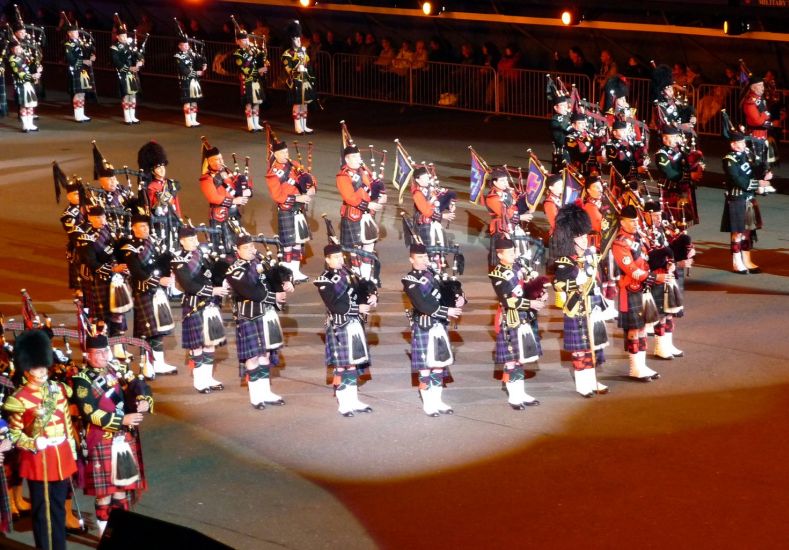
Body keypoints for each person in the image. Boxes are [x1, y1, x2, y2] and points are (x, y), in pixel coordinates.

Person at [71, 332, 151, 536]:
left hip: (123, 439)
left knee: (122, 490)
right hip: (101, 440)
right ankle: (104, 536)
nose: (104, 356)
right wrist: (121, 420)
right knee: (104, 495)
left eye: (105, 351)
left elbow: (139, 384)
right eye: (98, 353)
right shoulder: (82, 380)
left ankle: (121, 535)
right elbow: (89, 412)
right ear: (87, 355)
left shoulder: (118, 368)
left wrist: (143, 399)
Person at [4, 330, 78, 550]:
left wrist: (71, 453)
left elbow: (66, 422)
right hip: (40, 459)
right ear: (27, 371)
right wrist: (32, 443)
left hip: (61, 455)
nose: (43, 371)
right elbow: (15, 433)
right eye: (37, 367)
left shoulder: (58, 390)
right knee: (43, 513)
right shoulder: (19, 399)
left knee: (57, 509)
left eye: (44, 366)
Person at [225, 235, 291, 410]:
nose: (251, 250)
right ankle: (256, 397)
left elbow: (276, 274)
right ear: (237, 251)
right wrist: (273, 295)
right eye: (246, 248)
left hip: (266, 313)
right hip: (249, 316)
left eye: (252, 246)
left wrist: (285, 282)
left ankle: (266, 392)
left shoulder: (259, 260)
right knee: (253, 356)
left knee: (266, 354)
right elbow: (250, 290)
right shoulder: (234, 269)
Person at [551, 204, 610, 397]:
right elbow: (559, 285)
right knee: (580, 349)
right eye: (581, 236)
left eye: (585, 235)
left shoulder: (590, 255)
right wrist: (577, 282)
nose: (585, 239)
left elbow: (598, 280)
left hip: (592, 306)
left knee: (592, 346)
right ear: (571, 238)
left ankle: (592, 380)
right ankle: (582, 384)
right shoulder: (564, 262)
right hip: (576, 308)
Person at [314, 243, 376, 417]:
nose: (340, 260)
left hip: (355, 323)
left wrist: (372, 295)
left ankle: (353, 400)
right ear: (327, 260)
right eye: (335, 257)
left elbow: (363, 288)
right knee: (343, 365)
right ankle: (344, 403)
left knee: (353, 364)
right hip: (339, 325)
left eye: (341, 256)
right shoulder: (324, 279)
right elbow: (334, 304)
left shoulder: (350, 273)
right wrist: (358, 309)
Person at [402, 243, 464, 416]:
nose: (424, 260)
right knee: (426, 367)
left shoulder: (434, 274)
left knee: (439, 366)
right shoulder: (410, 280)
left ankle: (438, 400)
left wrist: (458, 299)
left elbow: (447, 293)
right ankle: (428, 403)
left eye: (425, 257)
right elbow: (423, 304)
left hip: (439, 325)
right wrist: (447, 310)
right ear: (411, 259)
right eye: (420, 257)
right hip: (424, 325)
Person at [489, 237, 546, 409]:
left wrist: (539, 294)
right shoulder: (497, 274)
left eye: (514, 251)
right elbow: (509, 301)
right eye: (510, 252)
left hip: (523, 317)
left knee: (520, 358)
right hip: (510, 318)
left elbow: (527, 289)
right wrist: (531, 303)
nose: (514, 255)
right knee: (511, 359)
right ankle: (514, 396)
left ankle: (521, 393)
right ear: (500, 255)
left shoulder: (518, 267)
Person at [120, 210, 178, 378]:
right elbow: (137, 272)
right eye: (141, 226)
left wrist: (169, 270)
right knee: (148, 330)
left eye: (146, 226)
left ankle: (157, 363)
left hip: (156, 291)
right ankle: (147, 364)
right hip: (143, 291)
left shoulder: (152, 242)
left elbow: (160, 262)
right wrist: (159, 280)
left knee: (157, 329)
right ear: (134, 229)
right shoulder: (130, 248)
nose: (145, 229)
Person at [171, 226, 229, 393]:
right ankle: (199, 381)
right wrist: (212, 290)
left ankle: (208, 378)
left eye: (196, 238)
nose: (195, 242)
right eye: (191, 239)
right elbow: (188, 284)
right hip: (194, 304)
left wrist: (223, 281)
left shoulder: (203, 256)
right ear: (182, 241)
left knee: (210, 343)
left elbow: (211, 275)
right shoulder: (178, 260)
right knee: (197, 346)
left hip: (210, 304)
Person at [611, 205, 665, 381]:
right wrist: (655, 278)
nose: (635, 224)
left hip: (642, 286)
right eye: (631, 221)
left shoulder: (638, 237)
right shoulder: (620, 242)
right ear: (622, 222)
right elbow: (630, 269)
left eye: (636, 220)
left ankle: (641, 366)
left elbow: (648, 257)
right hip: (630, 288)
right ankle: (635, 368)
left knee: (642, 328)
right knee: (634, 330)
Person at [76, 205, 130, 361]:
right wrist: (114, 269)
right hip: (100, 279)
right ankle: (105, 349)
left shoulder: (109, 230)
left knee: (118, 313)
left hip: (116, 278)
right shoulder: (86, 238)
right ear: (90, 219)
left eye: (103, 217)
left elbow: (117, 251)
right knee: (103, 317)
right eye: (98, 218)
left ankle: (119, 347)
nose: (102, 220)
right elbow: (91, 263)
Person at [265, 140, 315, 282]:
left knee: (298, 241)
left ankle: (296, 271)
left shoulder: (295, 165)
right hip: (287, 209)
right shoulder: (273, 173)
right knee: (288, 244)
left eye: (286, 152)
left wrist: (312, 188)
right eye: (282, 153)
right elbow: (277, 196)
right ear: (275, 154)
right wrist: (298, 198)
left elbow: (309, 178)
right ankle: (287, 274)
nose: (286, 155)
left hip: (299, 209)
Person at [721, 130, 770, 274]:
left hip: (748, 197)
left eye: (743, 142)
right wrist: (758, 184)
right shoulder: (729, 160)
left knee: (748, 231)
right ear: (733, 144)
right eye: (740, 143)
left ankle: (747, 259)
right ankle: (737, 262)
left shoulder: (746, 154)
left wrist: (764, 172)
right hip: (737, 198)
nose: (743, 145)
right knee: (737, 232)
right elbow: (738, 180)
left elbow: (754, 169)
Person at [642, 201, 685, 360]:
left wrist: (672, 262)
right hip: (656, 276)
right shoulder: (644, 233)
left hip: (667, 274)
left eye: (660, 215)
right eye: (655, 215)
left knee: (669, 312)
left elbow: (669, 249)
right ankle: (660, 347)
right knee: (661, 312)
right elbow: (647, 257)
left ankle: (668, 343)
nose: (659, 218)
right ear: (646, 214)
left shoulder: (661, 229)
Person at [336, 145, 385, 281]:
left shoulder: (364, 171)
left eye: (359, 156)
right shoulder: (343, 175)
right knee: (354, 248)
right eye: (356, 157)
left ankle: (366, 275)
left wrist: (381, 194)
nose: (359, 159)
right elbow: (349, 197)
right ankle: (357, 277)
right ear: (347, 159)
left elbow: (372, 188)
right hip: (353, 214)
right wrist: (368, 204)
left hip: (367, 214)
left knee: (369, 244)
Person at [199, 141, 253, 252]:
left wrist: (248, 190)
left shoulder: (227, 172)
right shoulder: (206, 179)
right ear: (209, 161)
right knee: (223, 246)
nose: (221, 162)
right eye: (217, 160)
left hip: (234, 214)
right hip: (220, 215)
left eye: (221, 158)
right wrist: (234, 201)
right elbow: (213, 197)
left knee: (238, 242)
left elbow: (239, 184)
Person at [138, 141, 183, 255]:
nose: (162, 169)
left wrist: (179, 217)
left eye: (163, 166)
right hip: (161, 222)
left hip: (173, 218)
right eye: (158, 167)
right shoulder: (151, 187)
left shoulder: (170, 183)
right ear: (152, 171)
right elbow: (154, 208)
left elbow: (176, 205)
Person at [655, 125, 702, 225]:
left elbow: (689, 161)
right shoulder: (662, 154)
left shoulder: (680, 149)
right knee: (671, 219)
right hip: (669, 190)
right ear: (664, 138)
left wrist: (697, 164)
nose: (675, 139)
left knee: (683, 218)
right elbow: (670, 173)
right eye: (672, 137)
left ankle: (682, 238)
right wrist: (690, 176)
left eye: (676, 137)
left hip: (682, 188)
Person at [741, 76, 777, 193]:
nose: (762, 88)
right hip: (754, 135)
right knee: (755, 159)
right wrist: (765, 116)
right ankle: (756, 183)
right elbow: (758, 121)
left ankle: (763, 181)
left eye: (762, 85)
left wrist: (766, 118)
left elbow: (765, 117)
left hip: (763, 134)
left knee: (764, 158)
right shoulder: (750, 102)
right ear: (753, 87)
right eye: (760, 85)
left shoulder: (761, 100)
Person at [282, 20, 317, 135]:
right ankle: (297, 127)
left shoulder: (303, 52)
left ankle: (304, 125)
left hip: (305, 80)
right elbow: (288, 69)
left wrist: (310, 75)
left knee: (305, 104)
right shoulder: (287, 54)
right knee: (297, 104)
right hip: (295, 81)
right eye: (296, 38)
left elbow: (308, 64)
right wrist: (297, 69)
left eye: (299, 38)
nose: (299, 40)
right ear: (291, 40)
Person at [232, 28, 268, 132]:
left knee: (256, 102)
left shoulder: (254, 50)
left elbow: (260, 60)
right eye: (243, 40)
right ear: (238, 42)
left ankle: (256, 122)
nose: (246, 41)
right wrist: (256, 67)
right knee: (248, 102)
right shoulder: (238, 54)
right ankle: (250, 124)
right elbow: (244, 68)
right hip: (247, 79)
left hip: (256, 80)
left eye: (246, 39)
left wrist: (263, 59)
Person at [110, 17, 143, 124]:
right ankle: (127, 116)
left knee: (133, 94)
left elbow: (138, 55)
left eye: (125, 35)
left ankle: (132, 116)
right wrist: (129, 68)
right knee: (126, 94)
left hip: (133, 72)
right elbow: (116, 61)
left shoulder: (130, 45)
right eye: (122, 36)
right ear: (118, 37)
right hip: (123, 72)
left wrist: (140, 62)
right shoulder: (114, 47)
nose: (124, 37)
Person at [7, 39, 40, 132]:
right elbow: (20, 73)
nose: (19, 49)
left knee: (30, 105)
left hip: (27, 84)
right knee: (23, 105)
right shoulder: (13, 59)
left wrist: (36, 68)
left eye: (19, 47)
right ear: (12, 49)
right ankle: (25, 125)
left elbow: (28, 69)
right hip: (21, 84)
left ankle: (30, 124)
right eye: (16, 48)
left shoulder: (22, 57)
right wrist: (33, 77)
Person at [64, 23, 94, 123]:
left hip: (83, 70)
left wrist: (91, 56)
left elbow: (87, 52)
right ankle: (77, 115)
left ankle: (82, 113)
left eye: (77, 32)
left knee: (82, 93)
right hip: (75, 70)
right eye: (74, 32)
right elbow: (70, 59)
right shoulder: (68, 45)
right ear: (69, 33)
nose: (76, 33)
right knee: (78, 93)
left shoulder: (80, 43)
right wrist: (84, 61)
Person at [174, 34, 206, 128]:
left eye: (187, 45)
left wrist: (204, 63)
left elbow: (200, 59)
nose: (187, 46)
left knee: (194, 100)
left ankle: (194, 120)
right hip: (186, 80)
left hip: (194, 81)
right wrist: (197, 73)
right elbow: (184, 71)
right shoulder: (178, 56)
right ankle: (188, 121)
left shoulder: (191, 54)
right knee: (187, 101)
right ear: (179, 46)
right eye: (184, 45)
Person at [550, 96, 572, 171]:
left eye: (566, 105)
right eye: (562, 105)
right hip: (563, 150)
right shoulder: (555, 120)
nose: (565, 108)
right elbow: (560, 140)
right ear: (556, 108)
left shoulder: (570, 117)